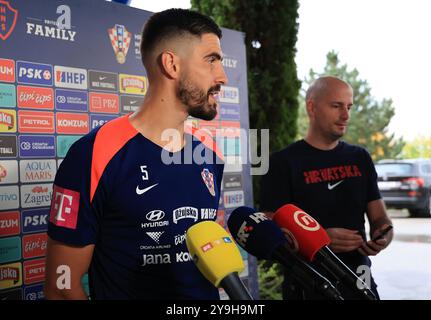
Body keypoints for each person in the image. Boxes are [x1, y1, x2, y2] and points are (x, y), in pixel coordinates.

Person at [44, 9, 228, 300]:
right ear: (171, 64)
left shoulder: (210, 154)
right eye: (212, 60)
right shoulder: (94, 154)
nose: (223, 77)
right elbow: (62, 287)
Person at [260, 76, 393, 300]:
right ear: (312, 107)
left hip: (360, 280)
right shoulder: (282, 162)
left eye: (349, 107)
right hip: (307, 283)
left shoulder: (360, 157)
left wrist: (383, 235)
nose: (346, 115)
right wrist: (318, 240)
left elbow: (380, 218)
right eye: (336, 106)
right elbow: (271, 231)